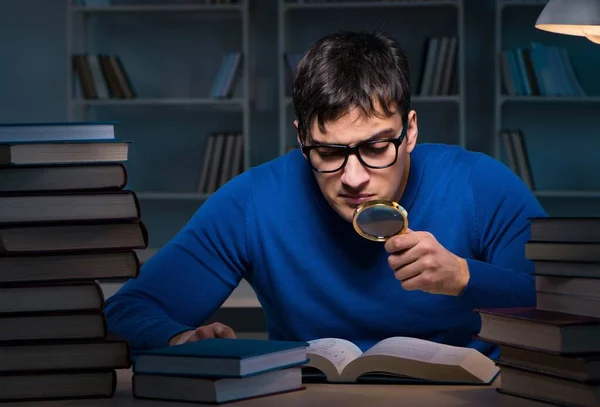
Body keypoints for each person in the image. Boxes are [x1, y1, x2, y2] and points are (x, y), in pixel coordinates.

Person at [104, 30, 547, 360]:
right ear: (301, 140)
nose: (354, 178)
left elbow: (570, 307)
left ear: (410, 131)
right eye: (329, 152)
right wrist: (178, 339)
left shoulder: (480, 185)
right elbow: (128, 310)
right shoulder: (252, 201)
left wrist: (465, 278)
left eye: (376, 148)